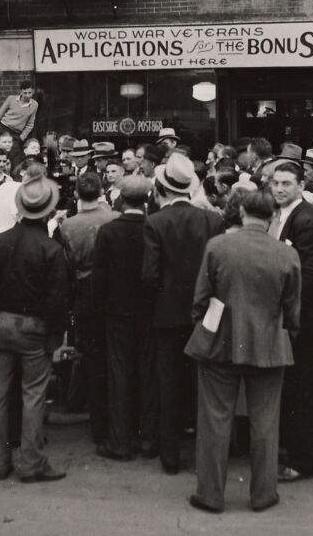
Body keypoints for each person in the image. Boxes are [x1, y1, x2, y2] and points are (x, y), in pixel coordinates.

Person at [186, 189, 301, 513]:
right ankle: (264, 494)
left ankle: (210, 494)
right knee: (265, 423)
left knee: (214, 420)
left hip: (220, 341)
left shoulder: (218, 246)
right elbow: (293, 310)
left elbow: (200, 298)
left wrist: (203, 324)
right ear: (273, 216)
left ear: (242, 213)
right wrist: (286, 331)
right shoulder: (286, 254)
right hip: (267, 344)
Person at [0, 175, 70, 482]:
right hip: (34, 326)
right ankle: (31, 463)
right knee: (33, 395)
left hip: (3, 323)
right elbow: (58, 299)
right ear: (47, 211)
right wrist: (54, 335)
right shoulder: (51, 249)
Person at [141, 153, 224, 475]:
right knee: (204, 383)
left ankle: (171, 454)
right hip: (205, 315)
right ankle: (206, 452)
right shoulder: (212, 220)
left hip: (167, 314)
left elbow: (149, 275)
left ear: (162, 186)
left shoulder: (155, 223)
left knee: (169, 382)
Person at [269, 161, 313, 482]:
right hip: (291, 316)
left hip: (302, 318)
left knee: (302, 388)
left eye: (286, 183)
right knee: (295, 387)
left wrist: (287, 309)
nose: (279, 188)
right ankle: (297, 448)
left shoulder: (306, 219)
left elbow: (312, 274)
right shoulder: (280, 214)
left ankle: (304, 460)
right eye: (275, 183)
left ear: (299, 185)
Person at [92, 175, 158, 461]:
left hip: (117, 312)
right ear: (146, 199)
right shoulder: (153, 228)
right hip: (148, 311)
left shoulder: (108, 231)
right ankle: (147, 438)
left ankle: (120, 440)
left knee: (119, 374)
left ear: (121, 198)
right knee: (148, 371)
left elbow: (99, 277)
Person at [59, 173, 118, 444]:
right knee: (114, 356)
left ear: (77, 196)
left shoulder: (68, 225)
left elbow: (67, 266)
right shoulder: (113, 219)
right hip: (111, 293)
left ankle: (97, 421)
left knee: (91, 357)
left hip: (84, 293)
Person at [0, 81, 39, 167]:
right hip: (3, 128)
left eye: (29, 93)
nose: (27, 95)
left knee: (15, 156)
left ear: (33, 92)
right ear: (20, 92)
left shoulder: (34, 105)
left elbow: (30, 124)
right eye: (25, 93)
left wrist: (22, 137)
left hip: (16, 134)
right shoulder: (11, 99)